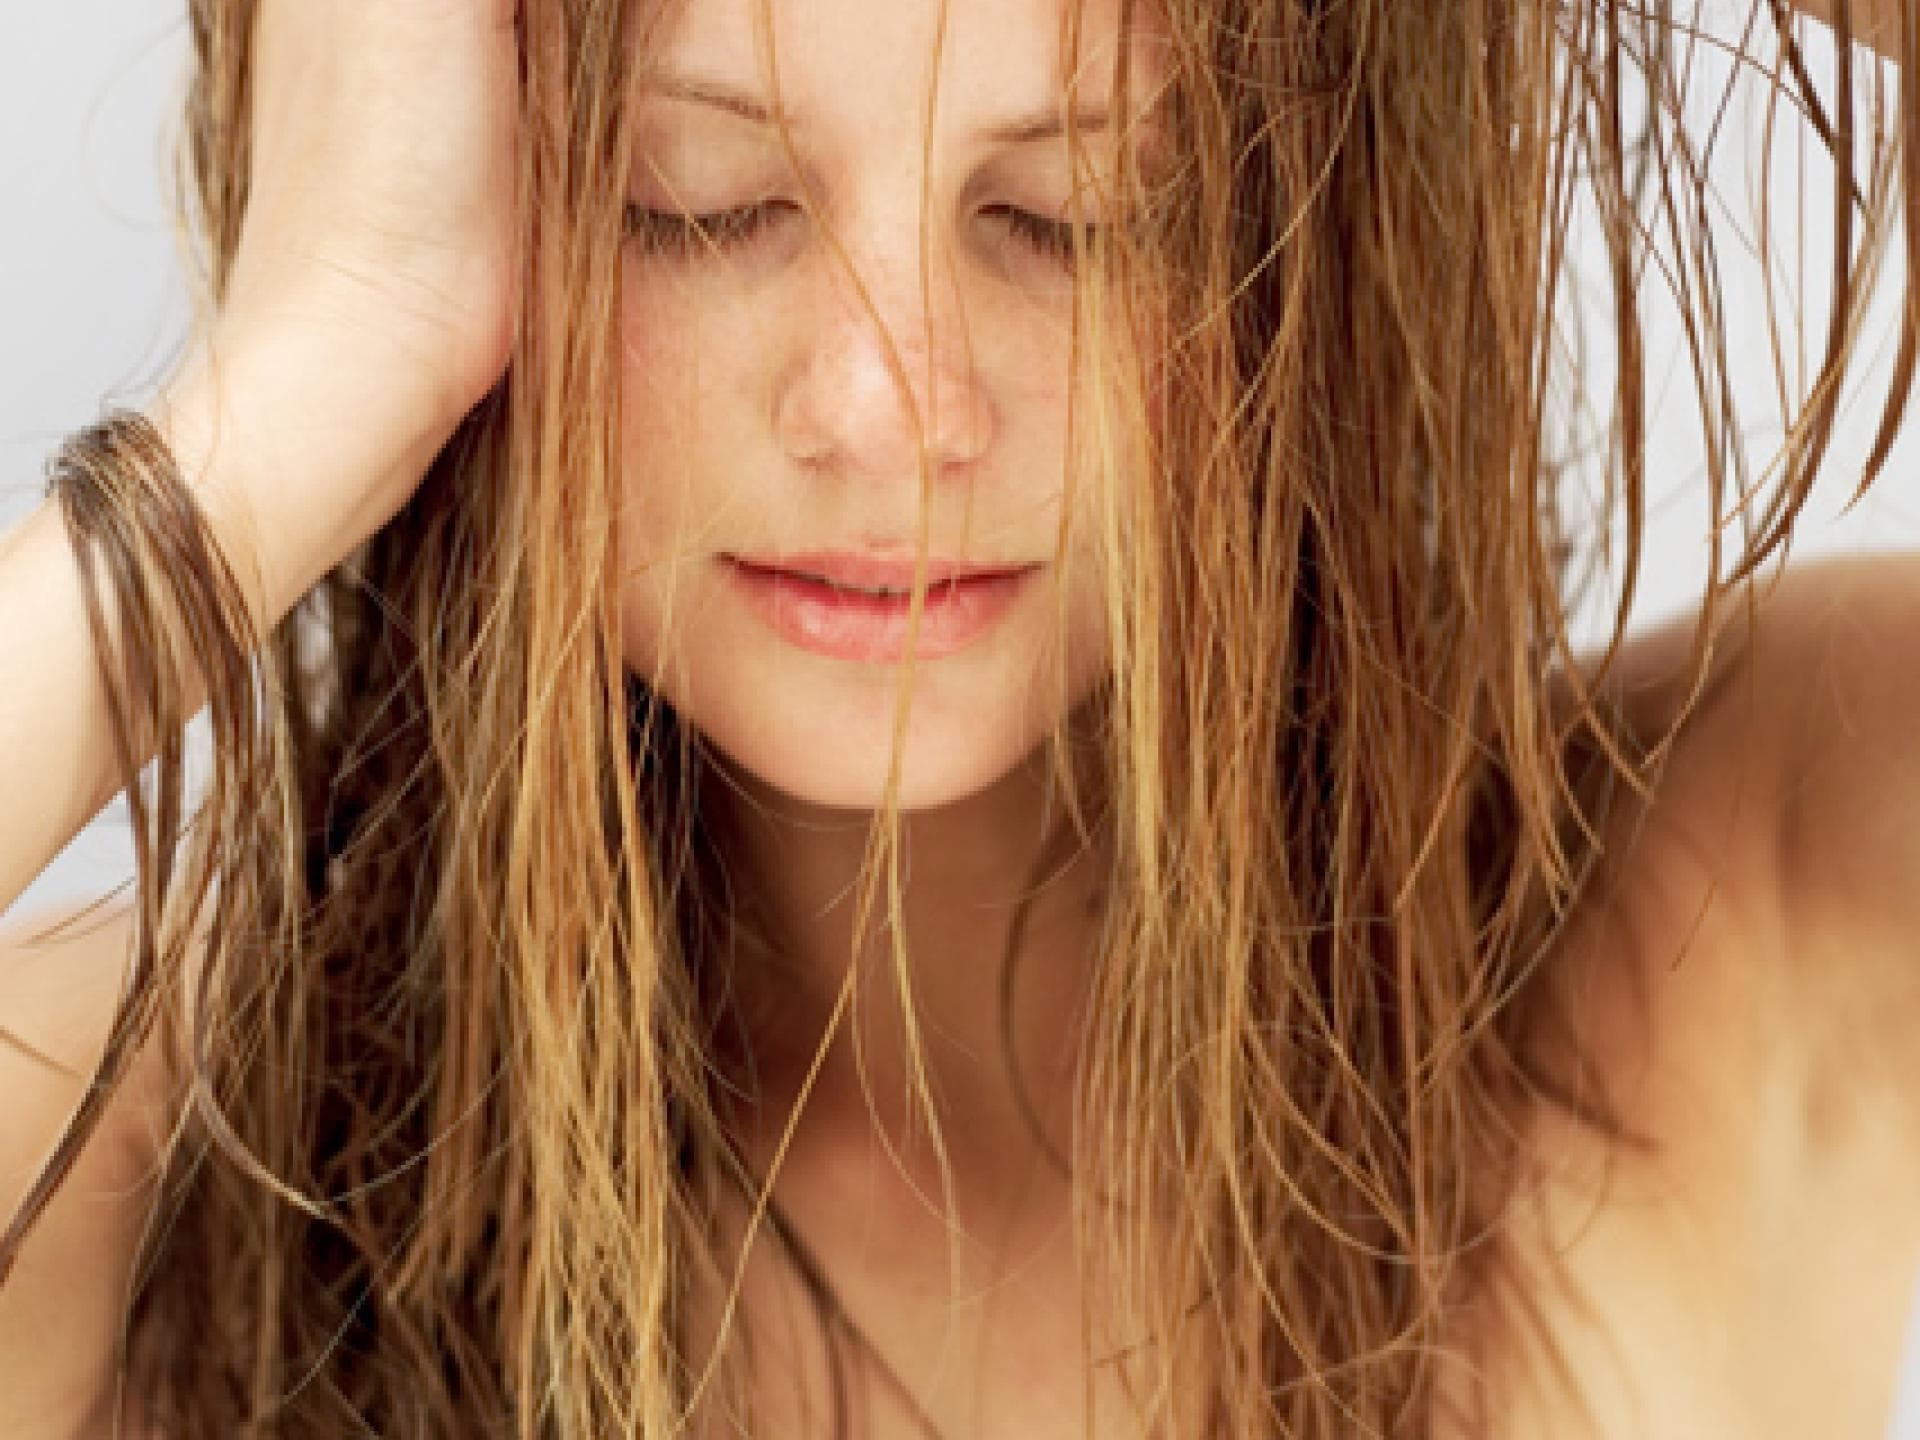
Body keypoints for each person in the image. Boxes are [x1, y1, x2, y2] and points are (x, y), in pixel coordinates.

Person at [2, 0, 1918, 1435]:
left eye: (1078, 211)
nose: (893, 409)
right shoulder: (147, 1167)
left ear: (1310, 242)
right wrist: (302, 380)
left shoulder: (1750, 908)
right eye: (702, 201)